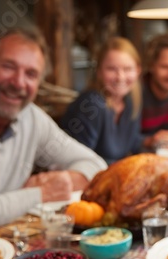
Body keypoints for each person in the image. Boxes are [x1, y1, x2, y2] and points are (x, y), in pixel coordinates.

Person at [0, 27, 107, 230]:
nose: (18, 83)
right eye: (8, 66)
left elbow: (96, 165)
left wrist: (63, 180)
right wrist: (40, 193)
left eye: (31, 74)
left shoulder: (32, 118)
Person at [61, 37, 143, 165]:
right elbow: (81, 162)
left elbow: (133, 144)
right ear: (99, 71)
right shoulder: (92, 104)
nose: (120, 77)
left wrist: (152, 140)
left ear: (138, 71)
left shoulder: (129, 102)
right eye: (111, 69)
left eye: (127, 69)